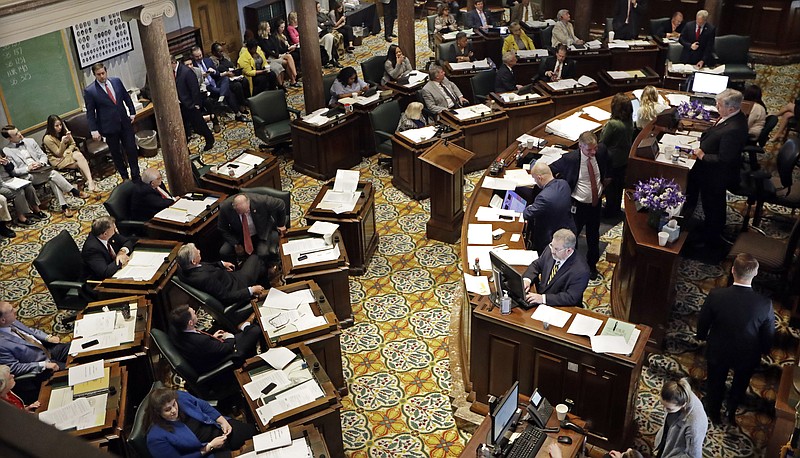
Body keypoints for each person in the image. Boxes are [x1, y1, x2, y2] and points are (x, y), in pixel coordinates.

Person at [696, 253, 774, 426]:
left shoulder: (716, 295)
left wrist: (701, 336)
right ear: (755, 273)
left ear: (732, 271)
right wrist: (765, 350)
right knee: (740, 383)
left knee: (715, 382)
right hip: (747, 353)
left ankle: (713, 412)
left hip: (719, 348)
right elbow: (768, 333)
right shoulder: (764, 304)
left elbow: (704, 321)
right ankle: (731, 411)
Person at [686, 88, 748, 248]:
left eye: (719, 105)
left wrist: (702, 155)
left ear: (731, 108)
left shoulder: (734, 128)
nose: (716, 107)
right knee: (710, 203)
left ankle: (710, 238)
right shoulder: (730, 116)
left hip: (716, 175)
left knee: (713, 205)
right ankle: (707, 228)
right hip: (709, 173)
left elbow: (724, 159)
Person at [550, 131, 610, 280]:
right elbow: (550, 169)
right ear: (580, 146)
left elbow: (607, 169)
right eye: (589, 150)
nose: (593, 152)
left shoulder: (601, 152)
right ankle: (571, 266)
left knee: (593, 236)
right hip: (578, 206)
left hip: (595, 205)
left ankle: (592, 266)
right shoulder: (570, 159)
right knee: (572, 238)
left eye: (594, 148)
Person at [144, 387, 256, 458]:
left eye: (174, 405)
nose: (174, 410)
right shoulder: (155, 438)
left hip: (217, 430)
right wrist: (209, 447)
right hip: (205, 453)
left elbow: (203, 405)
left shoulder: (179, 396)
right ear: (158, 413)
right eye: (167, 410)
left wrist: (221, 421)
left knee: (256, 435)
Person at [608, 378, 707, 458]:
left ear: (683, 405)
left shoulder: (695, 424)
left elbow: (693, 455)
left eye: (668, 408)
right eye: (662, 405)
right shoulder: (679, 389)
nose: (664, 410)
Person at [2, 125, 87, 218]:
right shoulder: (7, 150)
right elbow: (13, 171)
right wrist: (28, 168)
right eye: (16, 134)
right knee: (52, 174)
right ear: (9, 138)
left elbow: (43, 155)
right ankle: (74, 191)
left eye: (18, 131)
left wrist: (40, 163)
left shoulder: (30, 141)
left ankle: (64, 206)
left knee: (53, 179)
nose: (19, 134)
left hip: (41, 169)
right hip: (28, 175)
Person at [83, 63, 141, 181]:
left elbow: (126, 96)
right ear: (94, 75)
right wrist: (94, 130)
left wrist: (132, 111)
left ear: (106, 71)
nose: (102, 76)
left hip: (124, 123)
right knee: (116, 154)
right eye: (98, 75)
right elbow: (90, 112)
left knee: (131, 148)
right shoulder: (90, 91)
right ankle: (125, 177)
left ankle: (136, 175)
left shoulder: (116, 81)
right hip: (109, 127)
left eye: (103, 73)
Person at [169, 304, 262, 374]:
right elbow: (226, 348)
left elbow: (202, 343)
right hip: (226, 356)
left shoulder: (175, 330)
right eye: (193, 313)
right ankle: (245, 326)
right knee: (255, 330)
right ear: (190, 323)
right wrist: (229, 336)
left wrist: (212, 338)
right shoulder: (201, 341)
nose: (195, 311)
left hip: (207, 350)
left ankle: (245, 326)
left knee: (245, 331)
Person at [177, 243, 266, 305]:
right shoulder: (206, 278)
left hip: (228, 277)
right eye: (197, 252)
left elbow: (203, 266)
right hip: (238, 285)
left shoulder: (182, 269)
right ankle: (262, 290)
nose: (199, 251)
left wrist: (221, 264)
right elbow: (226, 297)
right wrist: (251, 290)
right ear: (193, 261)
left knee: (259, 268)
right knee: (255, 258)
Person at [522, 229, 590, 306]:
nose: (552, 251)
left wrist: (543, 299)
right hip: (540, 297)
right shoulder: (551, 249)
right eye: (552, 246)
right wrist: (527, 280)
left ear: (569, 251)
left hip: (562, 307)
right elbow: (536, 265)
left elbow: (571, 297)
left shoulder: (581, 270)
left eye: (557, 249)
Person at [0, 301, 69, 377]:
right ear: (3, 320)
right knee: (76, 370)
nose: (15, 310)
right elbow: (14, 367)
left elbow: (29, 331)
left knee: (79, 348)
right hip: (44, 365)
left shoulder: (11, 321)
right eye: (11, 310)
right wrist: (43, 365)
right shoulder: (1, 345)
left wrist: (47, 337)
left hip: (47, 349)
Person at [217, 193, 287, 264]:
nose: (244, 214)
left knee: (262, 253)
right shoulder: (225, 207)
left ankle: (263, 271)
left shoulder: (261, 201)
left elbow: (281, 204)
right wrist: (235, 243)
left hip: (261, 232)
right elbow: (222, 228)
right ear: (234, 207)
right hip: (239, 235)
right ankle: (234, 270)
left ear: (249, 204)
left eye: (246, 212)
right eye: (240, 213)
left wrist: (281, 224)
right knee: (224, 252)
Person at [523, 162, 575, 255]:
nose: (535, 182)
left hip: (550, 238)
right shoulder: (564, 184)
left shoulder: (544, 197)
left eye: (535, 179)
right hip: (567, 230)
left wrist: (530, 207)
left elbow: (527, 214)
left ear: (539, 178)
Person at [191, 47, 249, 123]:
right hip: (207, 86)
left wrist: (214, 72)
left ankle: (221, 98)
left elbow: (218, 74)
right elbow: (194, 83)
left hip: (215, 82)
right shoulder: (192, 66)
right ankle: (237, 114)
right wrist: (201, 76)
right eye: (197, 56)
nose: (199, 58)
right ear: (193, 57)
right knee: (228, 92)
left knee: (225, 79)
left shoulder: (207, 61)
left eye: (200, 55)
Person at [599, 93, 634, 217]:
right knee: (618, 187)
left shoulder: (613, 124)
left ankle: (609, 212)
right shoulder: (630, 122)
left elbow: (602, 143)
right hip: (623, 160)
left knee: (610, 188)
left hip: (611, 161)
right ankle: (615, 209)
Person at [42, 114, 96, 193]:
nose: (59, 127)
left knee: (79, 156)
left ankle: (90, 182)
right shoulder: (47, 138)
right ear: (51, 127)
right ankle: (90, 181)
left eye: (60, 124)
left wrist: (68, 151)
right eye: (56, 126)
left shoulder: (64, 130)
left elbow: (73, 143)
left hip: (68, 154)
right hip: (58, 159)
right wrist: (62, 143)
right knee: (80, 163)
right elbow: (58, 154)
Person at [173, 56, 215, 152]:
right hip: (181, 104)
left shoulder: (186, 71)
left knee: (199, 125)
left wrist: (196, 104)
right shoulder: (175, 72)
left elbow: (194, 89)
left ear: (173, 62)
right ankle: (185, 148)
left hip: (190, 104)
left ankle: (209, 138)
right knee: (184, 127)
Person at [82, 216, 136, 280]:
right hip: (98, 282)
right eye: (114, 229)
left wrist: (122, 252)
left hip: (115, 271)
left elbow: (127, 242)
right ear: (105, 234)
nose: (116, 230)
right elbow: (104, 272)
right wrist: (121, 260)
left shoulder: (108, 234)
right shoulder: (92, 249)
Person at [0, 152, 46, 227]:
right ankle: (21, 217)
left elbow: (12, 170)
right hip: (1, 185)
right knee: (18, 192)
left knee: (28, 186)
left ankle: (36, 209)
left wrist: (7, 163)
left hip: (10, 180)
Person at [209, 42, 251, 116]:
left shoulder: (225, 57)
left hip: (233, 76)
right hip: (223, 80)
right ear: (214, 52)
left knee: (244, 80)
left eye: (222, 51)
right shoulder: (212, 60)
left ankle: (247, 101)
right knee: (237, 85)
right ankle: (241, 106)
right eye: (220, 51)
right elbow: (216, 73)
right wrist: (226, 73)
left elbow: (232, 66)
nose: (222, 53)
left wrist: (235, 71)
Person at [256, 22, 288, 87]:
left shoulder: (271, 37)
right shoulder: (261, 40)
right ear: (264, 29)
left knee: (286, 61)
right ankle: (280, 85)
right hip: (269, 59)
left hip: (275, 55)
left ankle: (284, 82)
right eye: (268, 27)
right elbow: (267, 51)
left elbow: (275, 46)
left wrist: (277, 54)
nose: (269, 28)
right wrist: (276, 55)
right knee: (278, 67)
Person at [271, 19, 301, 83]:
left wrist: (292, 46)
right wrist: (288, 49)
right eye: (281, 27)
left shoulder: (284, 34)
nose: (283, 29)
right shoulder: (275, 37)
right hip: (283, 53)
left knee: (299, 51)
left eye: (284, 27)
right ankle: (295, 75)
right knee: (291, 56)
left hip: (289, 49)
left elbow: (289, 43)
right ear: (277, 28)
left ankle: (298, 73)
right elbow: (279, 49)